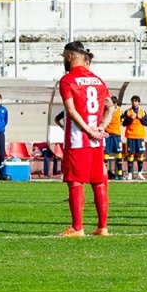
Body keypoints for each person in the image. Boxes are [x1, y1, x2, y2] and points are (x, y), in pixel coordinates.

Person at [57, 41, 111, 237]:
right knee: (98, 181)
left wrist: (87, 130)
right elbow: (110, 107)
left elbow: (71, 111)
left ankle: (77, 228)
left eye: (64, 56)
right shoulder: (99, 81)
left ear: (70, 56)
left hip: (77, 139)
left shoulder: (67, 80)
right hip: (97, 141)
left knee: (75, 181)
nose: (63, 60)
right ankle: (102, 227)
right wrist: (100, 129)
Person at [124, 96, 147, 180]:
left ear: (139, 102)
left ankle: (139, 173)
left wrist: (141, 118)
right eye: (133, 101)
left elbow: (146, 123)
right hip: (130, 135)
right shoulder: (128, 111)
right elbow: (124, 123)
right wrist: (130, 119)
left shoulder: (142, 111)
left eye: (136, 101)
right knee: (130, 154)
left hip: (140, 136)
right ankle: (130, 173)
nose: (134, 103)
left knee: (140, 154)